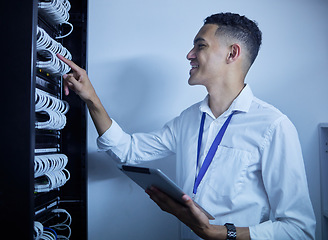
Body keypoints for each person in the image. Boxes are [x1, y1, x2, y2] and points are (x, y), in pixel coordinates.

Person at [57, 12, 316, 240]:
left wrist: (216, 234)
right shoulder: (189, 119)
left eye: (200, 46)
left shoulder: (274, 126)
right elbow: (128, 151)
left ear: (232, 53)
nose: (189, 55)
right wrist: (91, 99)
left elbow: (298, 230)